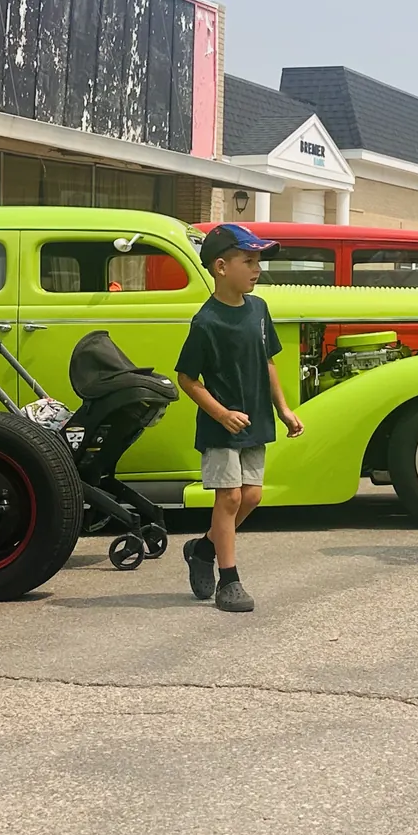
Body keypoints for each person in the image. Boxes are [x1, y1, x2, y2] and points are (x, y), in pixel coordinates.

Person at [176, 224, 304, 613]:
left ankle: (203, 549)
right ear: (220, 267)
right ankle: (228, 581)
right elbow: (187, 378)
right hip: (221, 426)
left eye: (258, 261)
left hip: (257, 419)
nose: (256, 269)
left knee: (252, 496)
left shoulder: (259, 310)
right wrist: (221, 413)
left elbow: (268, 362)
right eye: (248, 261)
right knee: (229, 497)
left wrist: (283, 409)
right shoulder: (206, 321)